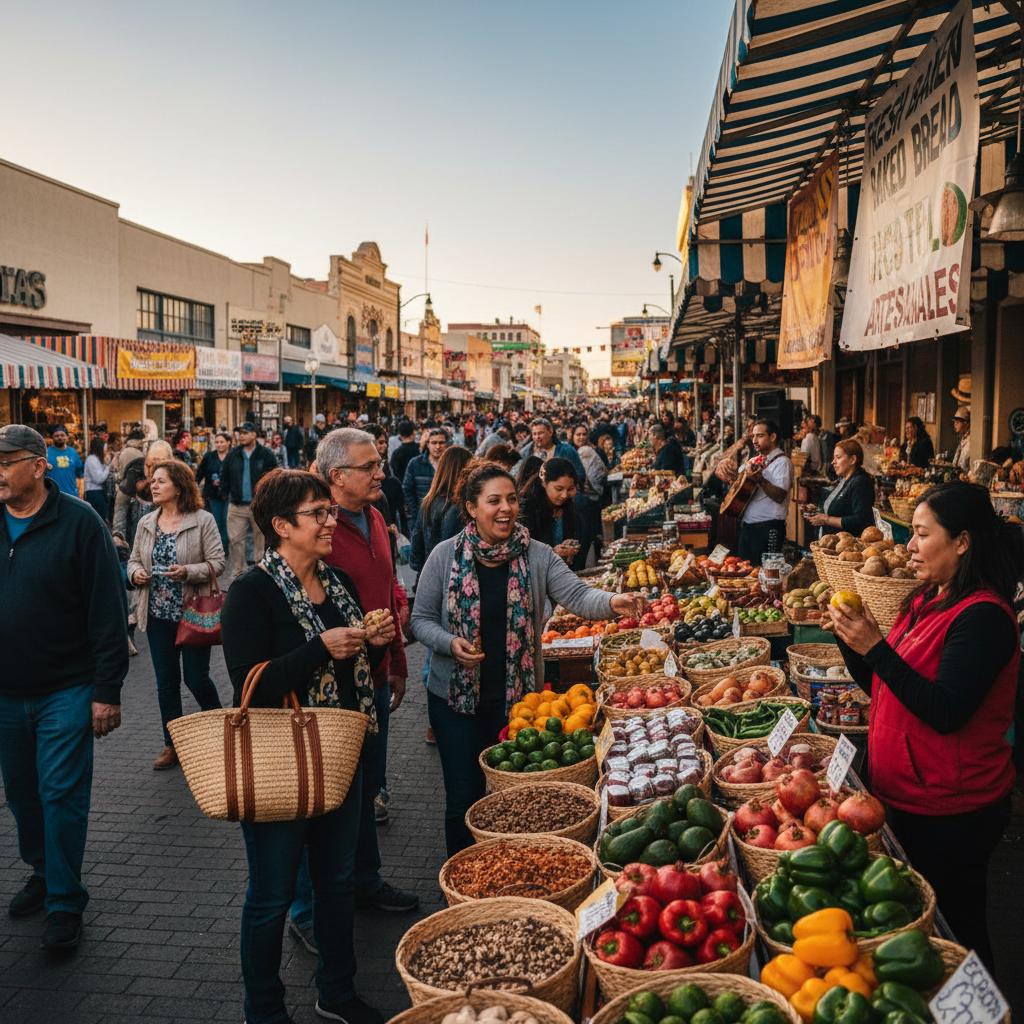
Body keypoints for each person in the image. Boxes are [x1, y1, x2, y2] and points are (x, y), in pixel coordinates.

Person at [221, 469, 393, 1024]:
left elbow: (354, 667)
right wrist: (321, 647)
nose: (329, 522)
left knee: (337, 884)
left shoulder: (336, 580)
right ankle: (264, 1009)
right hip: (281, 764)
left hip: (341, 755)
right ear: (279, 525)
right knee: (271, 895)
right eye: (316, 513)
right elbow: (250, 680)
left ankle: (337, 993)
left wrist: (374, 644)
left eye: (328, 511)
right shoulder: (252, 591)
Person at [829, 482, 1022, 972]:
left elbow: (946, 709)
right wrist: (855, 644)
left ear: (962, 541)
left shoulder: (984, 618)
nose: (908, 546)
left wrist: (876, 648)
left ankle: (984, 1009)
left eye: (920, 534)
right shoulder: (926, 599)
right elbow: (884, 685)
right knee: (918, 928)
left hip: (953, 807)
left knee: (957, 931)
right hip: (906, 793)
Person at [411, 463, 645, 854]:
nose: (506, 509)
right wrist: (450, 643)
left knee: (513, 796)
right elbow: (420, 620)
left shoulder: (536, 555)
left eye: (511, 499)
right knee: (463, 797)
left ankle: (506, 866)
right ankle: (463, 872)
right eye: (494, 501)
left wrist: (614, 602)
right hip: (455, 702)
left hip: (519, 701)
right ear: (472, 507)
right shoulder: (443, 557)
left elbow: (578, 595)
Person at [0, 424, 127, 951]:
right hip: (6, 692)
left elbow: (107, 610)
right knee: (22, 795)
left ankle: (65, 902)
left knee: (61, 795)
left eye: (6, 462)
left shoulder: (80, 522)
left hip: (67, 690)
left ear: (38, 465)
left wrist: (107, 689)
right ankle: (42, 870)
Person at [316, 429, 419, 912]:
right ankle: (320, 900)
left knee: (369, 785)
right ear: (338, 476)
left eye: (379, 462)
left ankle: (366, 879)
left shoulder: (376, 517)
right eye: (370, 466)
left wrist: (397, 662)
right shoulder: (318, 528)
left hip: (376, 677)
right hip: (334, 686)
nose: (382, 472)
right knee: (335, 795)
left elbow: (388, 590)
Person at [127, 460, 226, 770]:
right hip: (157, 614)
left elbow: (218, 563)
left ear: (179, 486)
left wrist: (187, 572)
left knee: (196, 678)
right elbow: (131, 561)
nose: (153, 485)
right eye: (152, 480)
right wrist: (136, 574)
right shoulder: (147, 522)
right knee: (166, 683)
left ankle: (225, 731)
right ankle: (173, 745)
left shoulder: (202, 520)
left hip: (192, 612)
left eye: (160, 481)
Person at [716, 418, 793, 565]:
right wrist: (724, 468)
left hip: (768, 528)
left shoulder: (783, 462)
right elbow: (736, 481)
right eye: (753, 436)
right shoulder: (754, 460)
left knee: (765, 575)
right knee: (746, 572)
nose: (755, 440)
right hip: (748, 528)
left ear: (773, 437)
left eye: (760, 435)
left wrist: (760, 480)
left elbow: (780, 496)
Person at [223, 422, 278, 580]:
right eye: (240, 433)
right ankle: (239, 573)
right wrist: (226, 494)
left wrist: (269, 499)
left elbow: (274, 476)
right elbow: (224, 475)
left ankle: (260, 572)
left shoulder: (266, 454)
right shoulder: (233, 454)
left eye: (245, 433)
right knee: (235, 540)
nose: (241, 436)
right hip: (237, 505)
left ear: (254, 434)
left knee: (261, 539)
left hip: (258, 505)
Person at [411, 446, 474, 573]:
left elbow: (416, 549)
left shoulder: (429, 501)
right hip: (447, 578)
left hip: (429, 572)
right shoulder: (458, 507)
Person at [519, 456, 587, 569]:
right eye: (559, 489)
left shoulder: (569, 507)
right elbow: (523, 554)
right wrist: (553, 553)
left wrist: (570, 548)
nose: (565, 495)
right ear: (544, 483)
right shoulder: (527, 510)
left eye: (569, 489)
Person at [806, 439, 875, 537]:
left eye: (838, 457)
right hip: (832, 543)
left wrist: (827, 520)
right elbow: (842, 508)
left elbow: (861, 520)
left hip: (847, 547)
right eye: (833, 458)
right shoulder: (844, 479)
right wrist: (818, 510)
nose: (833, 462)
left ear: (852, 460)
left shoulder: (860, 482)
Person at [403, 427, 449, 530]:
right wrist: (415, 512)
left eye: (441, 443)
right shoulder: (415, 464)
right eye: (434, 443)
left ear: (446, 444)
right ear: (427, 444)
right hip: (421, 518)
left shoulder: (450, 466)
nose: (438, 446)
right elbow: (407, 490)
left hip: (445, 518)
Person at [519, 417, 585, 484]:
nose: (537, 437)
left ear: (550, 432)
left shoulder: (567, 450)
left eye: (540, 433)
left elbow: (580, 476)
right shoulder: (527, 452)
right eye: (534, 434)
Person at [195, 431, 232, 552]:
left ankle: (225, 548)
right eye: (217, 442)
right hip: (213, 494)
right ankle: (217, 548)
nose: (219, 444)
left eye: (222, 442)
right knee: (216, 522)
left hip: (229, 494)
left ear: (228, 443)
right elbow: (200, 473)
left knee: (227, 522)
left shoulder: (233, 456)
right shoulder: (209, 456)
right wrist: (195, 485)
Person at [45, 425, 83, 496]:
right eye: (56, 435)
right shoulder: (46, 453)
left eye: (62, 435)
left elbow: (80, 475)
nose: (60, 437)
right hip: (52, 496)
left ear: (67, 437)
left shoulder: (73, 453)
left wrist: (81, 492)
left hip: (72, 496)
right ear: (52, 437)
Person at [83, 437, 111, 521]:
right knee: (98, 519)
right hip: (94, 493)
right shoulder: (92, 459)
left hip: (97, 492)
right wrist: (108, 467)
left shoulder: (96, 459)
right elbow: (99, 479)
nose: (105, 451)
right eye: (104, 448)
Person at [389, 420, 420, 484]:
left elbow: (395, 473)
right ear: (413, 433)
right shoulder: (420, 449)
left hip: (403, 486)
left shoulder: (396, 453)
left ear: (400, 435)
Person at [952, 406, 971, 474]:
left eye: (957, 422)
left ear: (966, 423)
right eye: (954, 422)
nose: (955, 425)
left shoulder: (970, 441)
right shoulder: (962, 438)